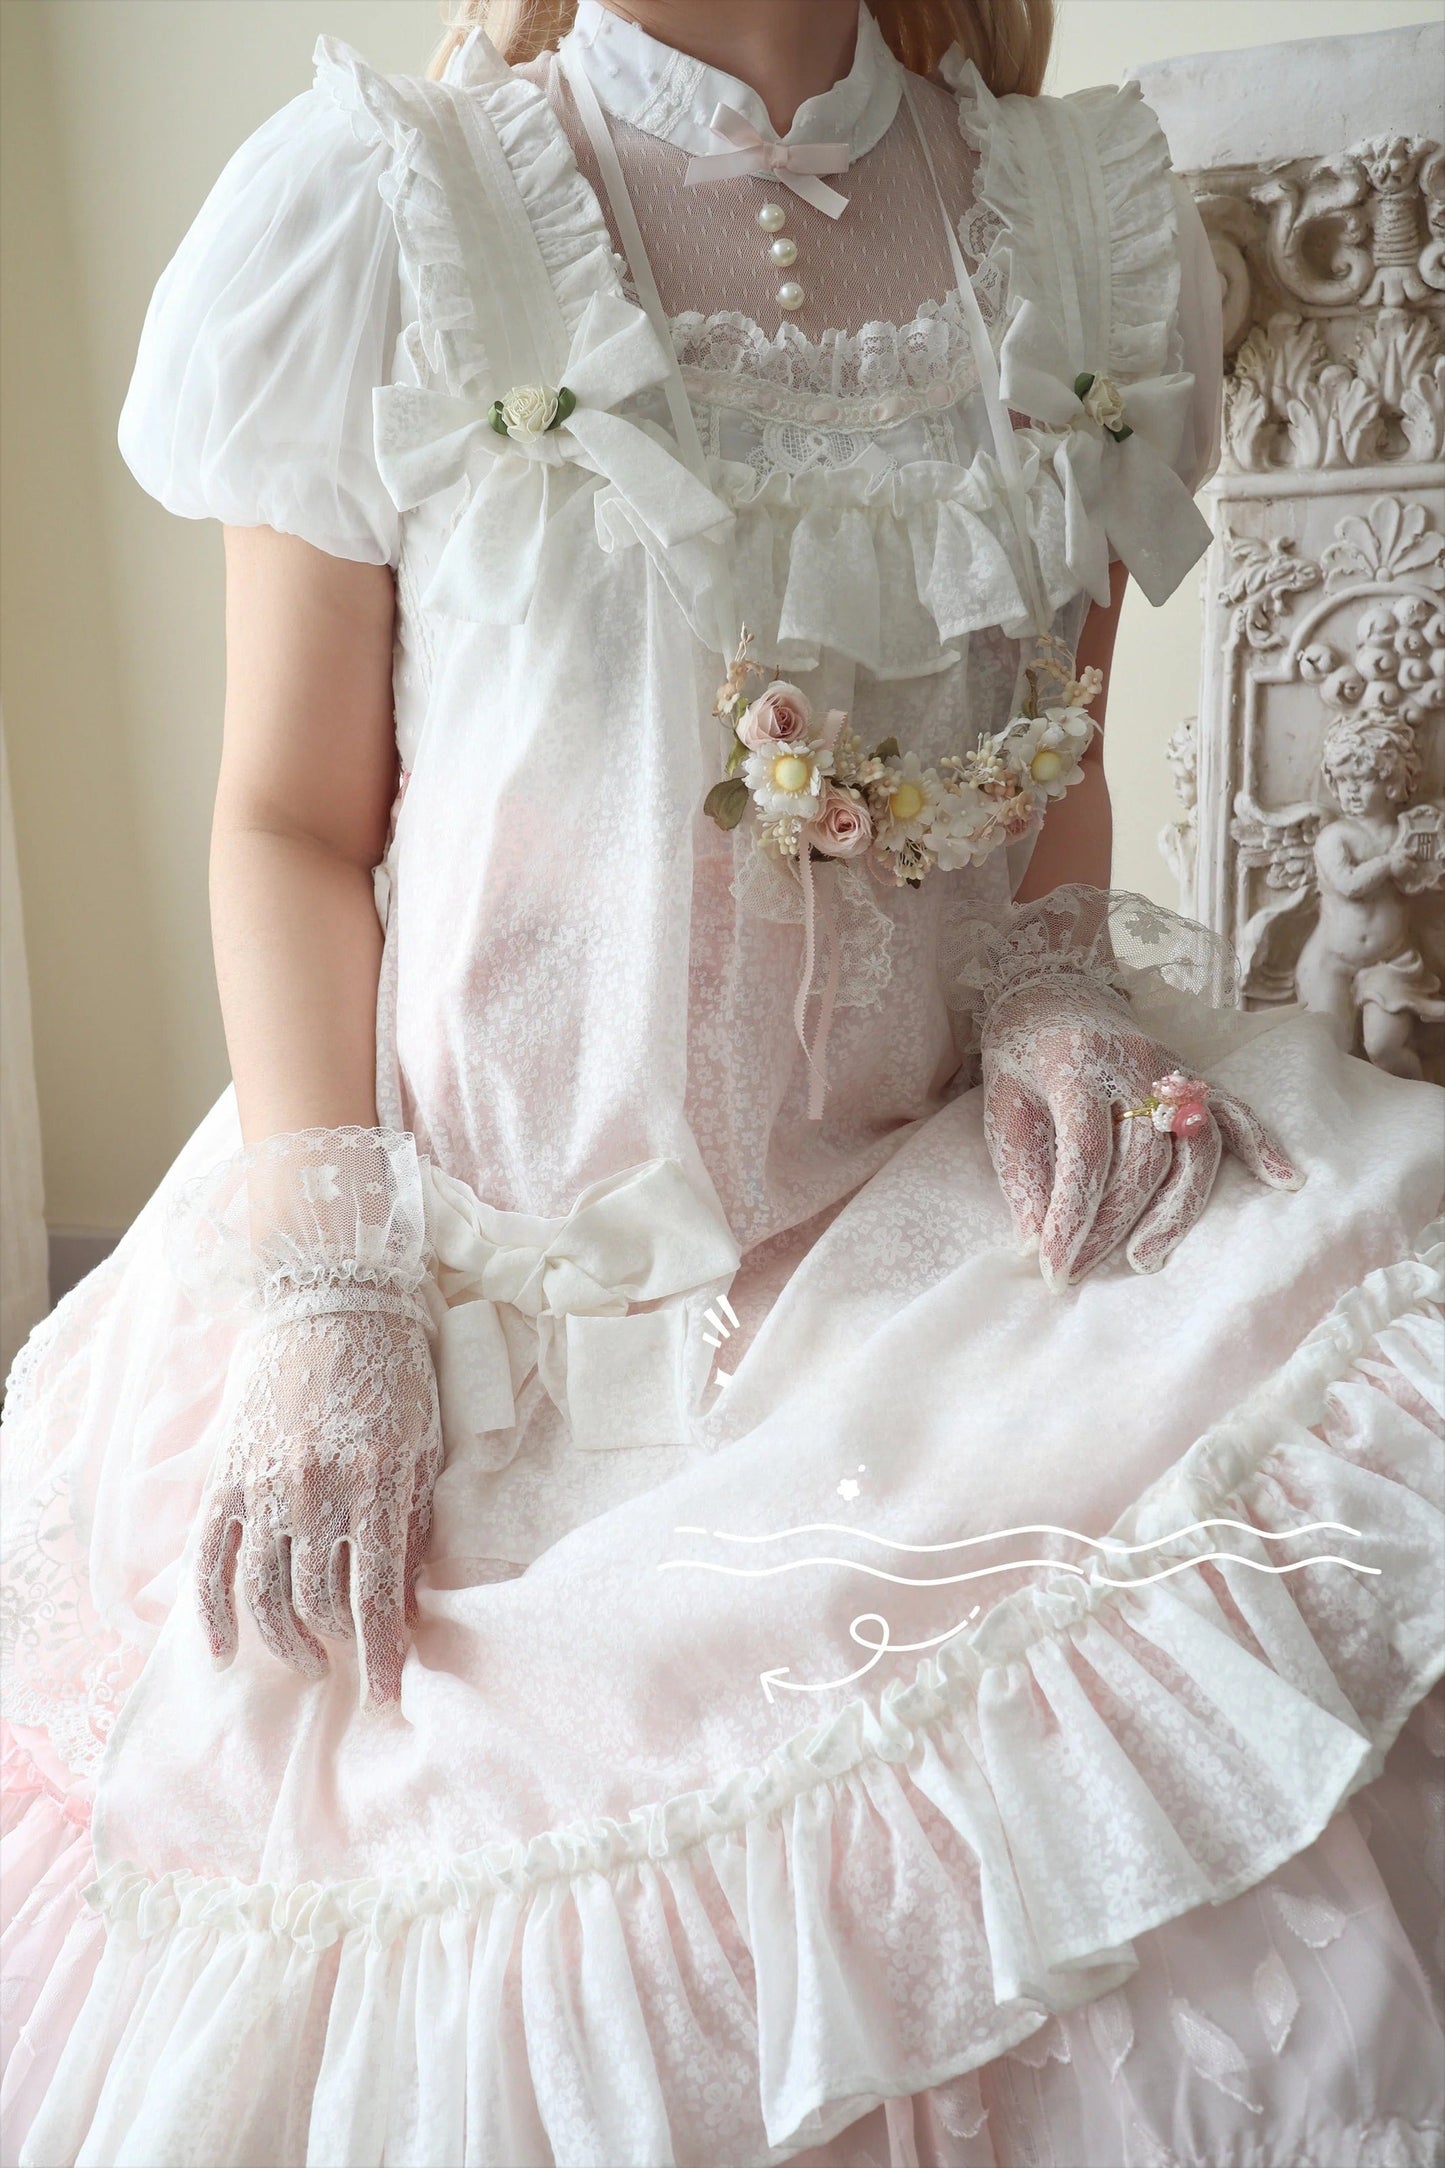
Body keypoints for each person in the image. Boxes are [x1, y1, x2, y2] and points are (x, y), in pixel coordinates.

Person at [2, 1, 1441, 2161]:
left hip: (933, 1230)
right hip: (499, 1248)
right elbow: (289, 822)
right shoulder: (386, 216)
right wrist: (335, 1289)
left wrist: (1060, 985)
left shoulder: (1083, 226)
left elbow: (1044, 762)